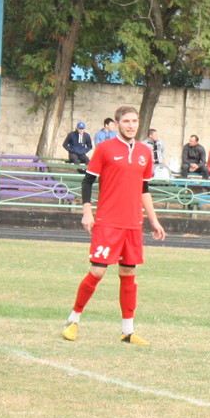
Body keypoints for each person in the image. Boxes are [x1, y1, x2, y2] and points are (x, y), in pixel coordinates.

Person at [64, 105, 167, 345]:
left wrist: (153, 220)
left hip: (132, 223)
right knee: (98, 271)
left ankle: (128, 331)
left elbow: (144, 189)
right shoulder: (105, 149)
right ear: (118, 124)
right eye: (126, 121)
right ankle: (73, 320)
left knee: (128, 273)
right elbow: (88, 181)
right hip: (108, 221)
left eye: (134, 121)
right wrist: (87, 211)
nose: (131, 125)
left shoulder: (144, 152)